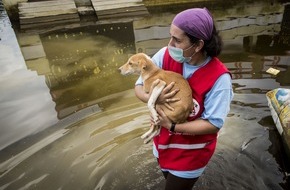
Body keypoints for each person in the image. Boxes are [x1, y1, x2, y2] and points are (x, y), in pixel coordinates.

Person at [134, 8, 233, 190]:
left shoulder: (220, 78)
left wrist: (172, 126)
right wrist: (154, 98)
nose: (169, 44)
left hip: (191, 154)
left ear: (198, 45)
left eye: (177, 40)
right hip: (162, 145)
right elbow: (138, 86)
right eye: (171, 36)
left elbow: (213, 123)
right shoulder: (164, 55)